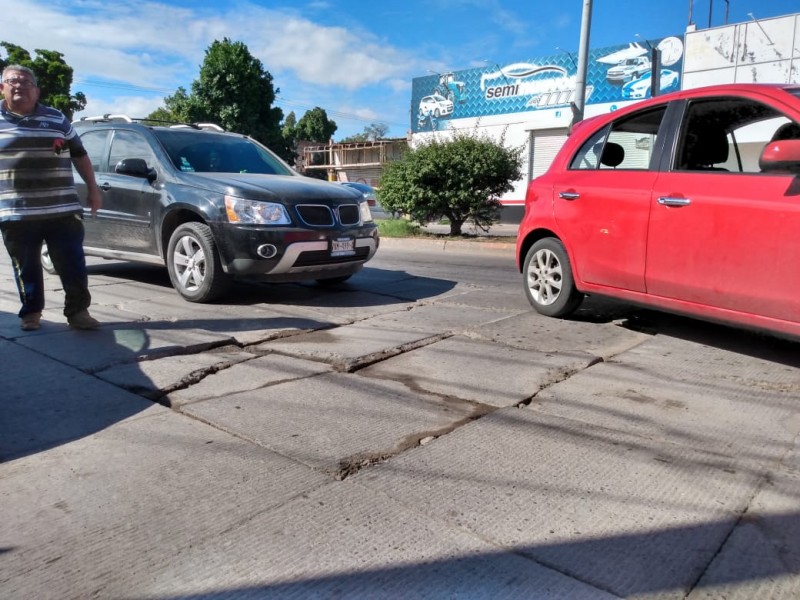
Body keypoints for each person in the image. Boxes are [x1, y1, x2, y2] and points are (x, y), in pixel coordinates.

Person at [0, 65, 102, 330]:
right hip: (15, 210)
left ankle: (78, 312)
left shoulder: (56, 118)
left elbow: (79, 154)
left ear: (37, 90)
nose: (19, 85)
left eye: (26, 82)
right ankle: (31, 313)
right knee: (26, 267)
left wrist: (93, 188)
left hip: (62, 208)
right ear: (2, 87)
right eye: (12, 81)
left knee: (73, 264)